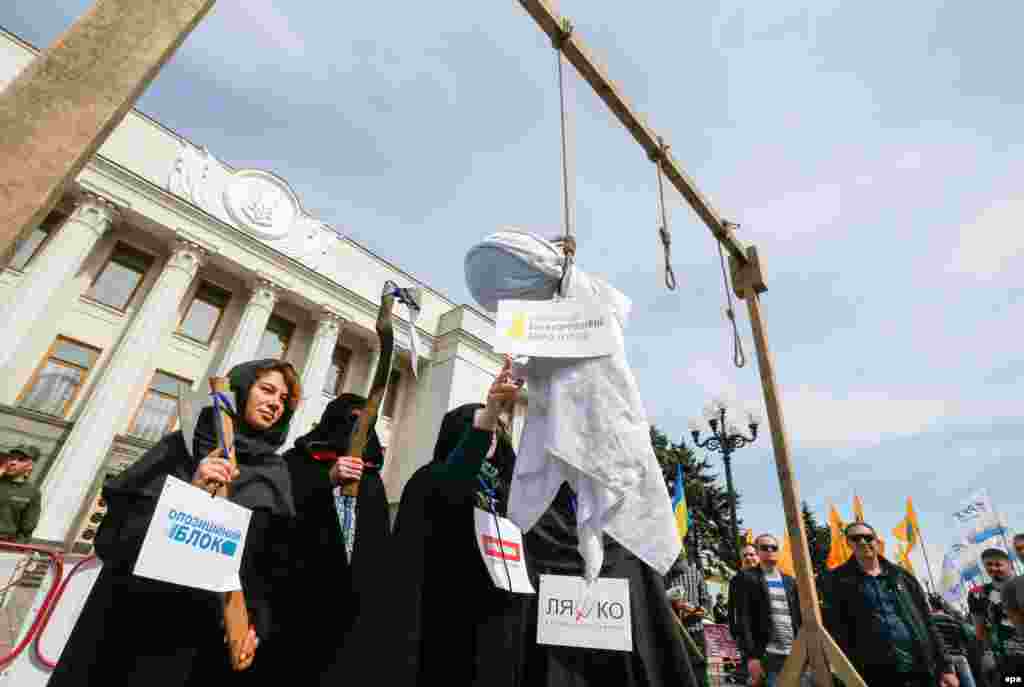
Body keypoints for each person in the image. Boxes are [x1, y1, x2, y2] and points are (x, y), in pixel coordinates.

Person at [326, 357, 699, 687]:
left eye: (499, 433)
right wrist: (488, 415)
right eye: (482, 432)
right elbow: (454, 478)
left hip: (507, 632)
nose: (493, 440)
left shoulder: (513, 492)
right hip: (446, 627)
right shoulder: (432, 480)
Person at [49, 359, 300, 686]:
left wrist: (254, 625)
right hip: (133, 628)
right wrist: (190, 493)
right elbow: (113, 540)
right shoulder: (179, 449)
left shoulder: (275, 473)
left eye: (283, 399)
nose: (275, 404)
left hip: (204, 640)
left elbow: (264, 568)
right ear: (239, 391)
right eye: (267, 390)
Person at [263, 393, 388, 683]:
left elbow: (379, 546)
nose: (358, 429)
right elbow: (278, 517)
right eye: (352, 419)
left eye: (366, 423)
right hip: (298, 598)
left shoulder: (372, 480)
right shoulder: (296, 462)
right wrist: (327, 481)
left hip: (352, 605)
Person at [821, 522, 957, 687]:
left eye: (868, 537)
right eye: (856, 538)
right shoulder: (836, 582)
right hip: (875, 675)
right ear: (848, 543)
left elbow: (928, 622)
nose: (863, 542)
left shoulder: (902, 576)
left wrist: (946, 667)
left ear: (877, 541)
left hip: (921, 670)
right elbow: (835, 629)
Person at [732, 534, 804, 687]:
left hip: (794, 653)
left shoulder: (790, 581)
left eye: (774, 547)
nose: (770, 550)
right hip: (767, 655)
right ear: (758, 552)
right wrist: (751, 657)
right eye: (765, 548)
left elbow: (798, 616)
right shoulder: (746, 578)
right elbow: (743, 618)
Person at [968, 548, 1023, 686]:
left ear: (1010, 564)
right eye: (988, 565)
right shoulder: (978, 594)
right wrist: (986, 652)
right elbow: (979, 628)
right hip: (1008, 658)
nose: (993, 568)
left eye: (998, 564)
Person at [929, 594, 977, 687]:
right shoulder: (952, 619)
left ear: (932, 606)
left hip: (945, 661)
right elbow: (964, 638)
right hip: (960, 657)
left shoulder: (930, 620)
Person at [0, 443, 41, 542]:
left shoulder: (32, 492)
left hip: (5, 543)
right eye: (11, 458)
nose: (13, 462)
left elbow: (27, 527)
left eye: (21, 460)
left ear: (30, 466)